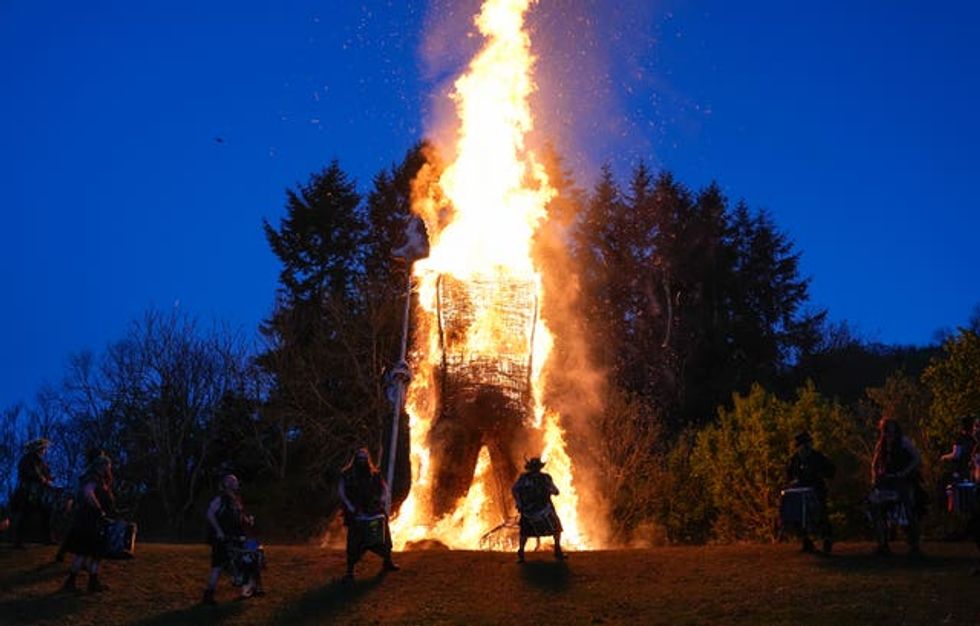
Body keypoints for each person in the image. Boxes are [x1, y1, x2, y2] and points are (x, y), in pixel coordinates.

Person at [338, 448, 399, 581]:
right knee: (354, 542)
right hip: (356, 513)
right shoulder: (347, 474)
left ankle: (387, 561)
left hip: (374, 512)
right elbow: (342, 492)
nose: (362, 461)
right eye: (359, 458)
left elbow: (384, 489)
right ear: (355, 459)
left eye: (364, 458)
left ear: (368, 459)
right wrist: (350, 507)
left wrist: (381, 501)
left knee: (383, 539)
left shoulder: (374, 474)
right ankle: (350, 571)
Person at [202, 473, 263, 604]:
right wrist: (219, 531)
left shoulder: (236, 499)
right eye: (233, 481)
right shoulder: (221, 498)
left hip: (236, 536)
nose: (236, 483)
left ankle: (248, 590)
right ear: (227, 484)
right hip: (222, 538)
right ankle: (208, 595)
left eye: (235, 481)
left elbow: (239, 516)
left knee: (246, 560)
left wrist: (248, 520)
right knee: (218, 566)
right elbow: (209, 514)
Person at [870, 417, 925, 557]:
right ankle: (883, 544)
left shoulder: (904, 442)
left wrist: (904, 472)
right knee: (877, 510)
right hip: (886, 482)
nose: (889, 433)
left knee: (906, 511)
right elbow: (875, 462)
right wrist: (875, 477)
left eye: (891, 430)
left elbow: (917, 458)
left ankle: (914, 545)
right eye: (886, 430)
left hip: (903, 481)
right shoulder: (881, 444)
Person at [61, 454, 115, 593]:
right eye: (108, 466)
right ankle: (72, 583)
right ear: (102, 466)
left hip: (91, 521)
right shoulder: (92, 477)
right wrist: (98, 510)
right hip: (90, 521)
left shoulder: (97, 477)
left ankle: (91, 582)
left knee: (92, 553)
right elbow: (88, 493)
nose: (109, 469)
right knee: (84, 553)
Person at [785, 431, 836, 554]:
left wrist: (819, 474)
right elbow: (789, 475)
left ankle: (826, 540)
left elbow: (830, 471)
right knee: (796, 516)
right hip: (799, 492)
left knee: (821, 515)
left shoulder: (817, 457)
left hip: (816, 490)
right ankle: (806, 541)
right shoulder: (795, 459)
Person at [511, 457, 565, 563]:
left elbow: (515, 490)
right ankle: (557, 550)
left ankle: (522, 552)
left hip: (532, 511)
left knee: (526, 532)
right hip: (540, 510)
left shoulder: (526, 478)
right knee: (555, 528)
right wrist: (519, 503)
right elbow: (555, 491)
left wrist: (519, 503)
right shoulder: (543, 478)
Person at [10, 438, 54, 548]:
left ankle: (47, 539)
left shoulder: (40, 461)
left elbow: (44, 473)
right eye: (44, 448)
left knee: (46, 513)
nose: (45, 450)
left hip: (37, 492)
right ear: (39, 448)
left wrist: (49, 478)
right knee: (25, 515)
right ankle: (18, 542)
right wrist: (42, 479)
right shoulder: (27, 459)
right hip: (27, 492)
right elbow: (30, 474)